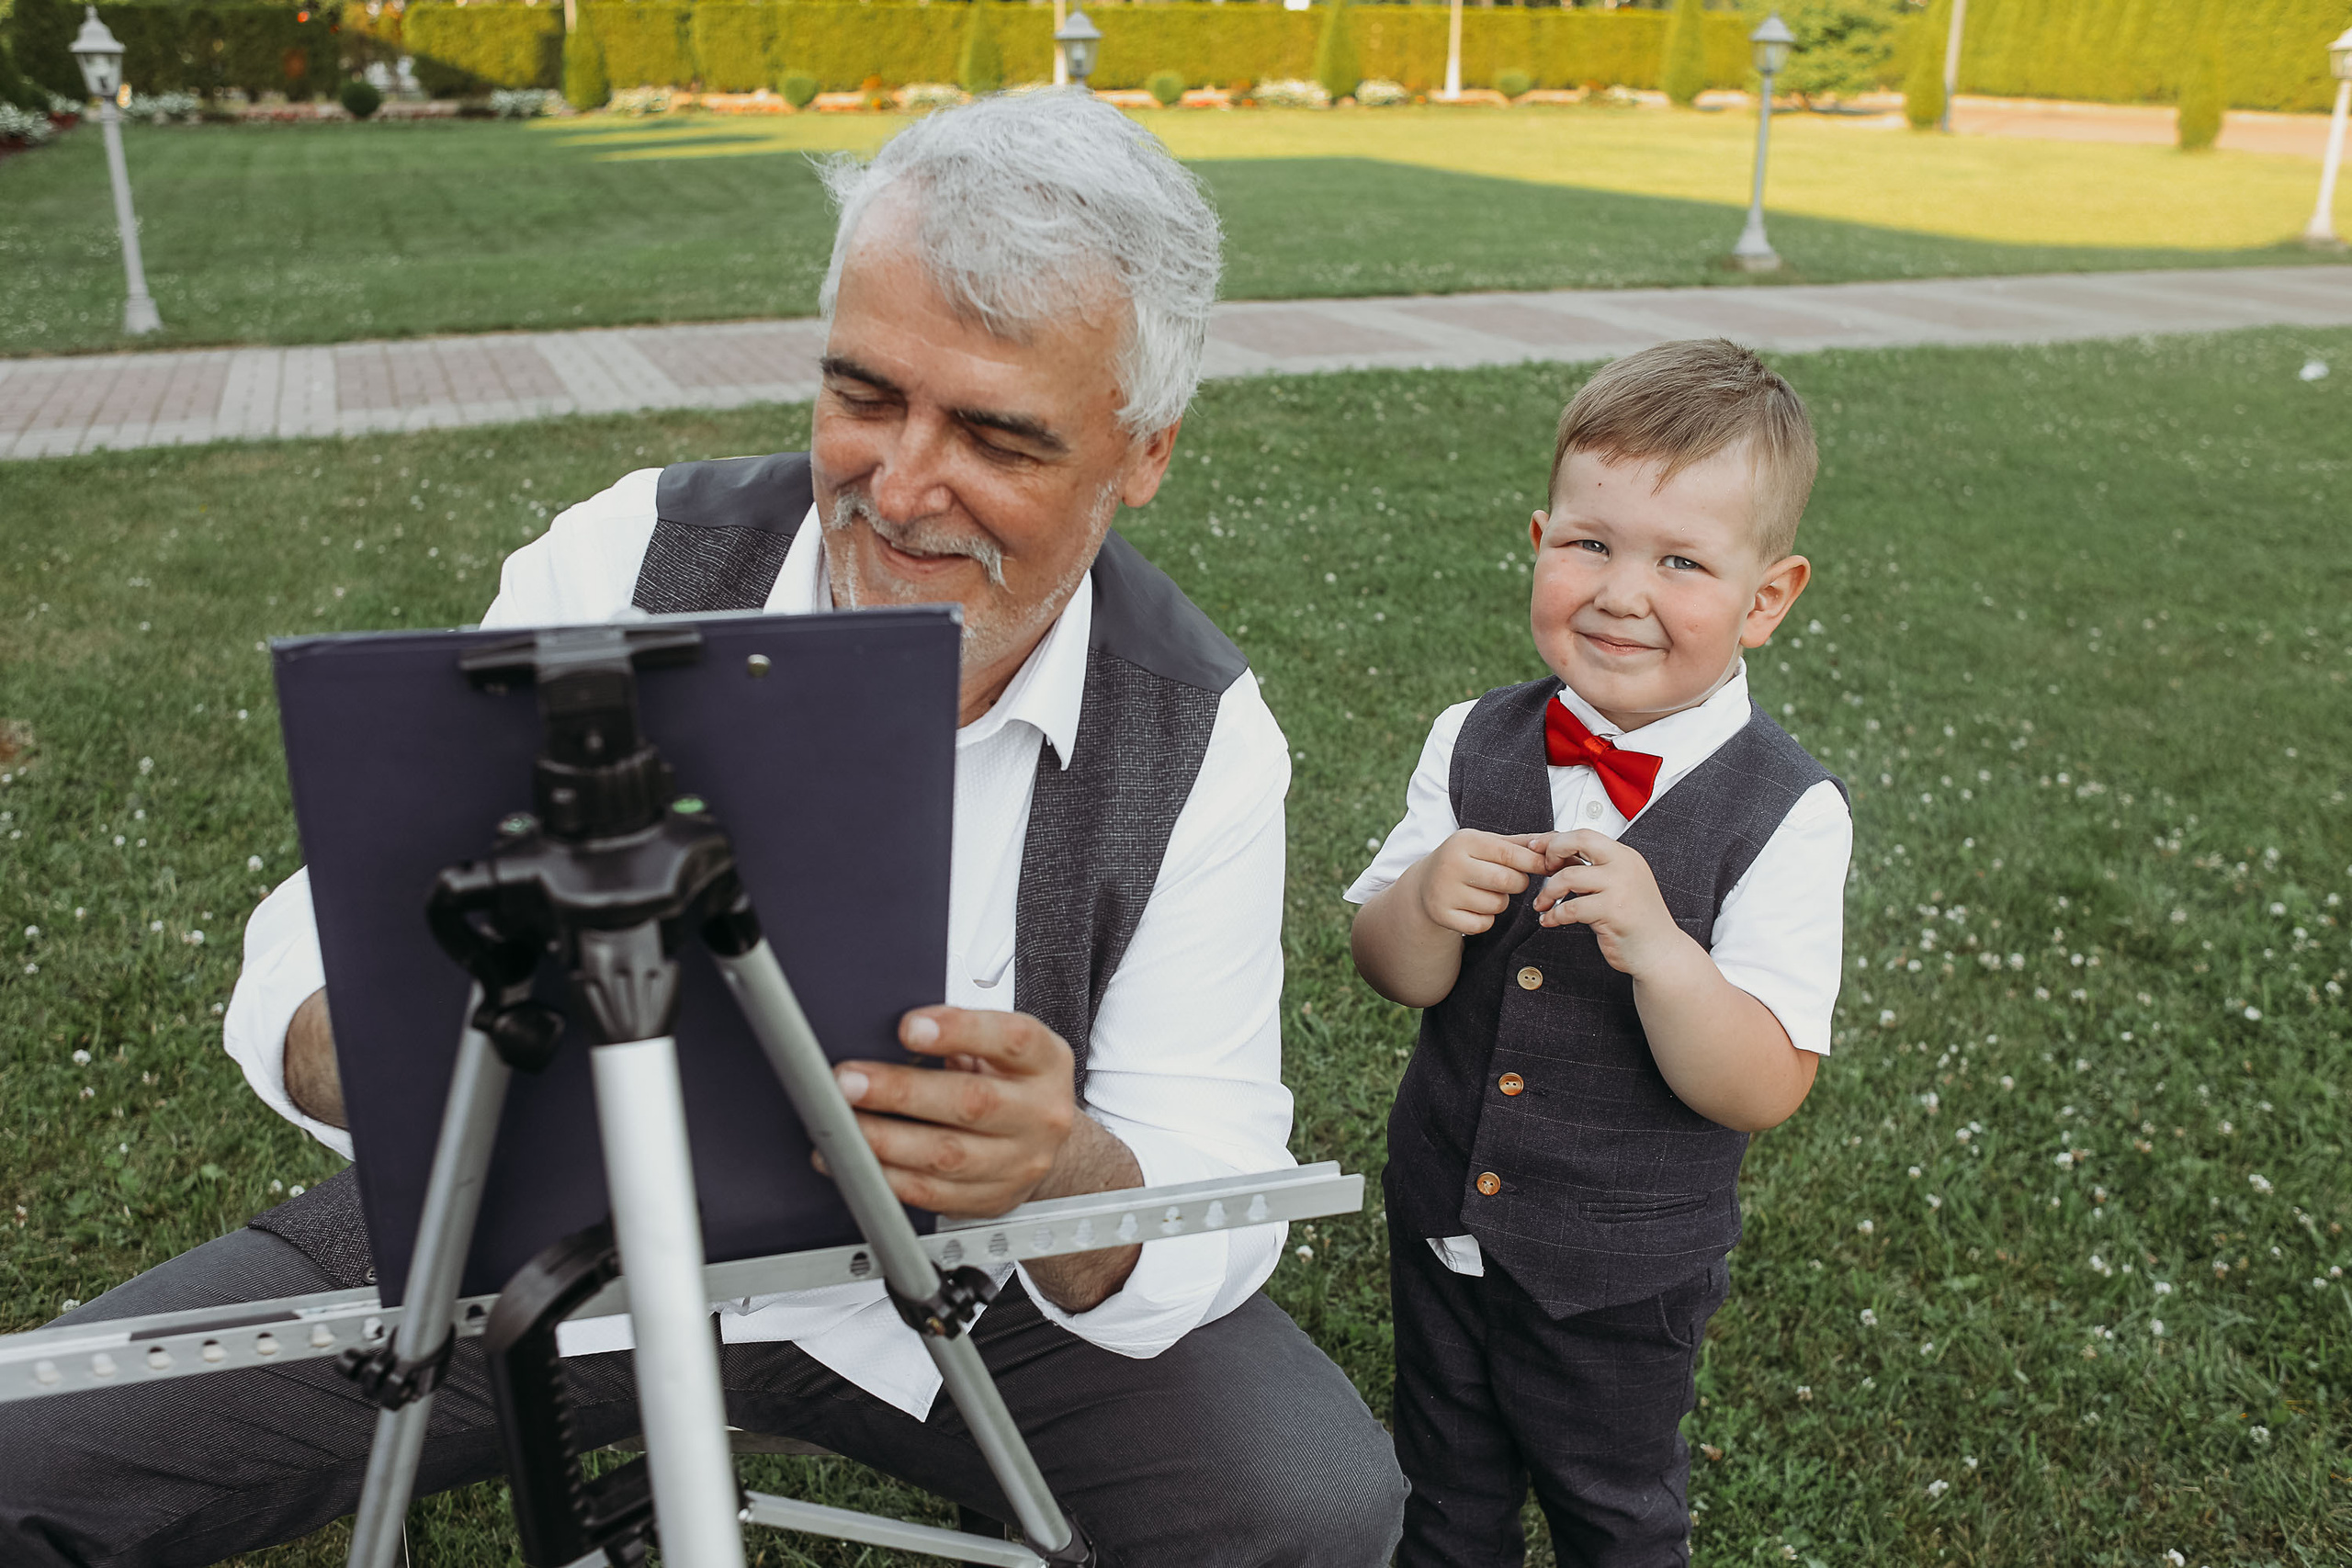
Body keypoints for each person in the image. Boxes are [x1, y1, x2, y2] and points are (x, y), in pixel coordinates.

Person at [0, 91, 1407, 1568]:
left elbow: (1209, 1165)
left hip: (960, 1289)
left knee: (1306, 1507)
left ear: (1144, 451)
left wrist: (1058, 1171)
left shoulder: (1199, 729)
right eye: (865, 397)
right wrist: (364, 1046)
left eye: (998, 434)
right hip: (540, 1240)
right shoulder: (627, 558)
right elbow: (321, 921)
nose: (905, 486)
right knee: (29, 1454)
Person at [1345, 340, 1852, 1567]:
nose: (1622, 592)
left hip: (1619, 1273)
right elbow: (1387, 964)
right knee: (1445, 1495)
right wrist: (1426, 897)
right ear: (1538, 539)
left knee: (1613, 1514)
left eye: (1681, 562)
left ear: (1766, 598)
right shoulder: (1472, 740)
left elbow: (1765, 1083)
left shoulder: (1787, 810)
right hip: (1444, 1219)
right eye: (1591, 545)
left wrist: (1665, 954)